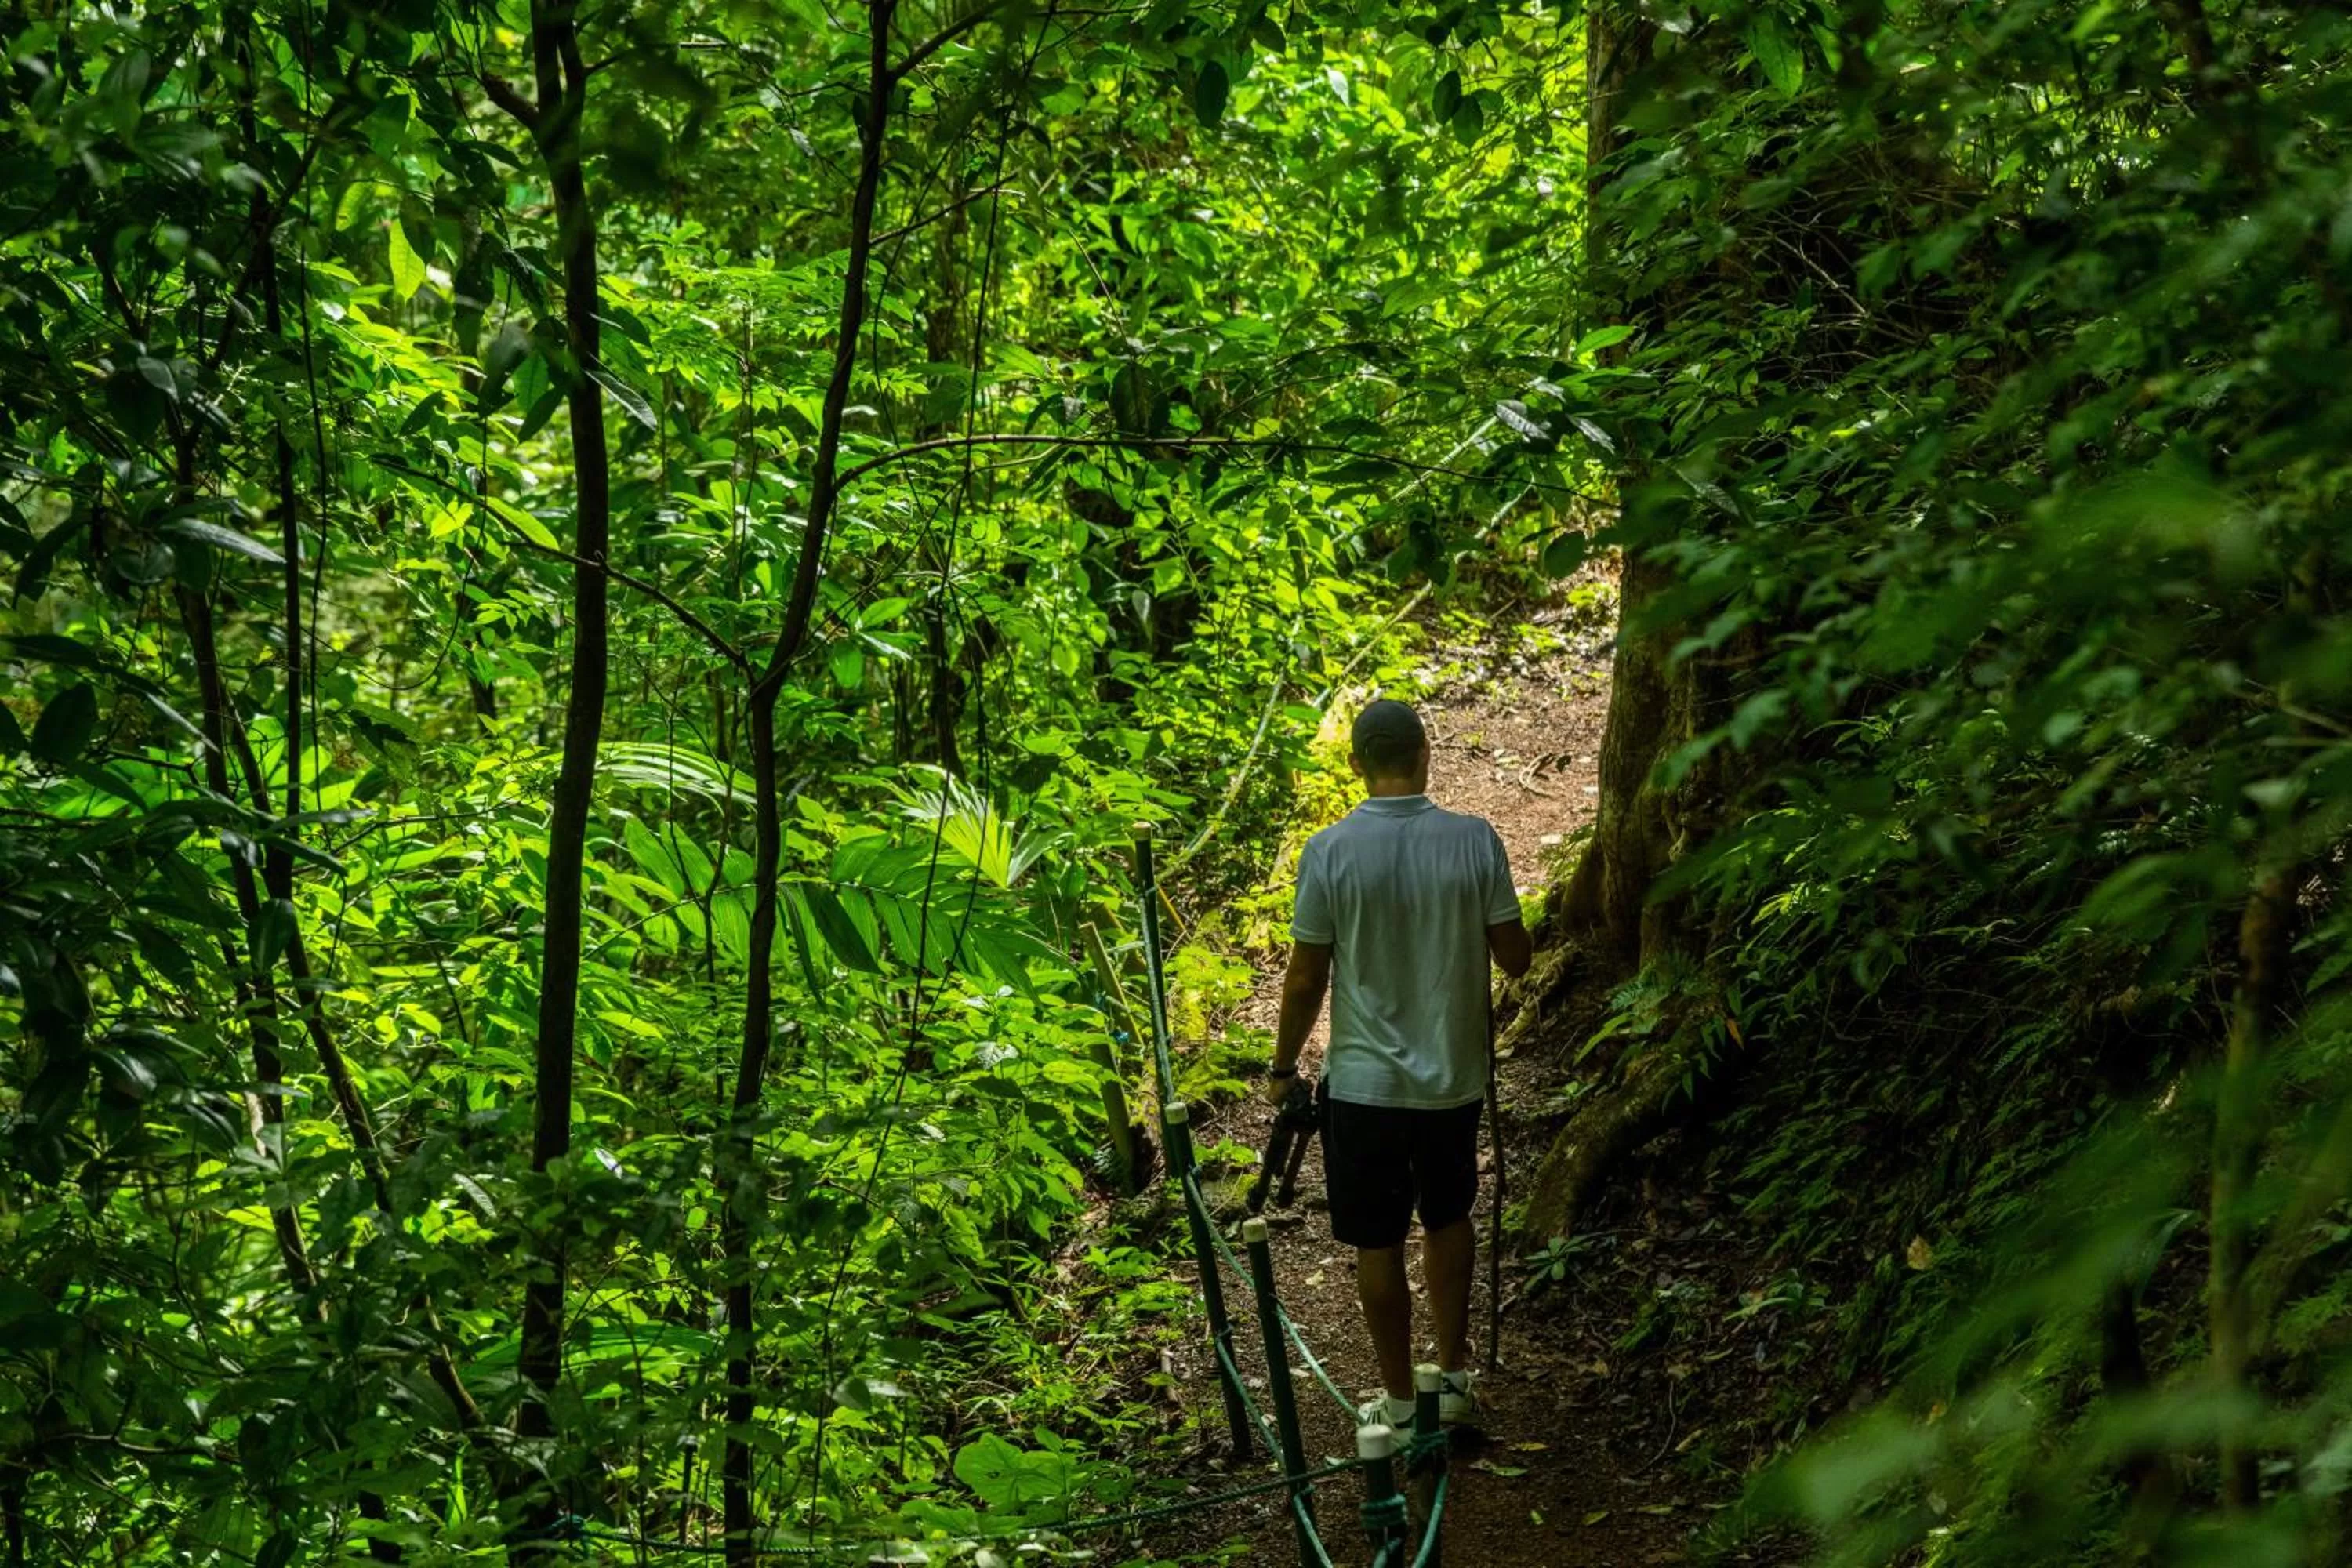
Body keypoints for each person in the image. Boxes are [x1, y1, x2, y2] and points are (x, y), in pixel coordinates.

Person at [1265, 698, 1532, 1428]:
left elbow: (1305, 978)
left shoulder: (1328, 851)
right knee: (1449, 1218)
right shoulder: (1474, 840)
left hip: (1363, 1086)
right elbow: (1516, 957)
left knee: (1376, 1241)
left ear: (1356, 764)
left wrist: (1283, 1070)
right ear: (1424, 756)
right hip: (1452, 1081)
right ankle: (1454, 1380)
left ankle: (1401, 1402)